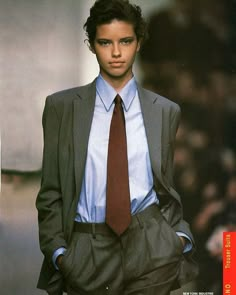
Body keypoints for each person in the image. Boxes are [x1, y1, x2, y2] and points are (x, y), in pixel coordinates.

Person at [36, 0, 198, 294]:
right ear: (91, 45)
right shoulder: (61, 108)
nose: (116, 53)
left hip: (151, 247)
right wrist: (60, 253)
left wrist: (176, 240)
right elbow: (51, 192)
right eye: (105, 42)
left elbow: (165, 187)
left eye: (125, 41)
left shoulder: (164, 111)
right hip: (87, 250)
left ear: (138, 43)